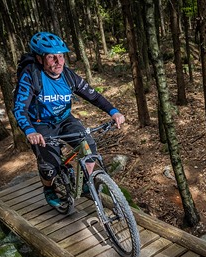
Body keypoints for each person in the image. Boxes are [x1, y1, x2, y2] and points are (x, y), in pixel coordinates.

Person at [13, 31, 125, 208]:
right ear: (40, 58)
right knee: (50, 168)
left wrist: (113, 112)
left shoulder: (68, 75)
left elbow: (93, 96)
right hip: (41, 126)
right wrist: (30, 131)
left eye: (61, 56)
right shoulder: (31, 76)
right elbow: (20, 108)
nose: (58, 62)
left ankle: (86, 182)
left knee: (89, 147)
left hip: (65, 120)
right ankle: (49, 189)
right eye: (52, 57)